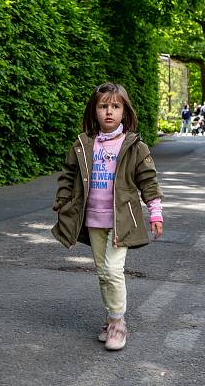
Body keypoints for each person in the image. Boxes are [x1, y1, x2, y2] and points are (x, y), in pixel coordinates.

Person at [51, 82, 163, 351]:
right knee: (103, 272)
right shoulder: (83, 144)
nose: (109, 112)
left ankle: (118, 323)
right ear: (95, 111)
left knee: (113, 270)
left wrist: (155, 212)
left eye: (115, 106)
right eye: (103, 106)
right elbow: (69, 175)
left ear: (125, 111)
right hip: (92, 219)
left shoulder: (135, 146)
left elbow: (148, 180)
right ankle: (110, 317)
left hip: (121, 219)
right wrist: (62, 201)